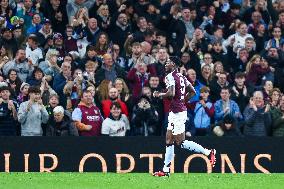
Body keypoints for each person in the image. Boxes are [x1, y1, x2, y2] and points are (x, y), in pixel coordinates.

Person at [152, 58, 216, 177]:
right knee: (168, 140)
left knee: (180, 142)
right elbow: (192, 92)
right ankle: (166, 170)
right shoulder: (182, 77)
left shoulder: (170, 76)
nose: (166, 64)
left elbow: (170, 93)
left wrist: (159, 94)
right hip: (176, 111)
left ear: (174, 64)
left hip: (177, 113)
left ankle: (208, 152)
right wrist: (182, 101)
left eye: (168, 62)